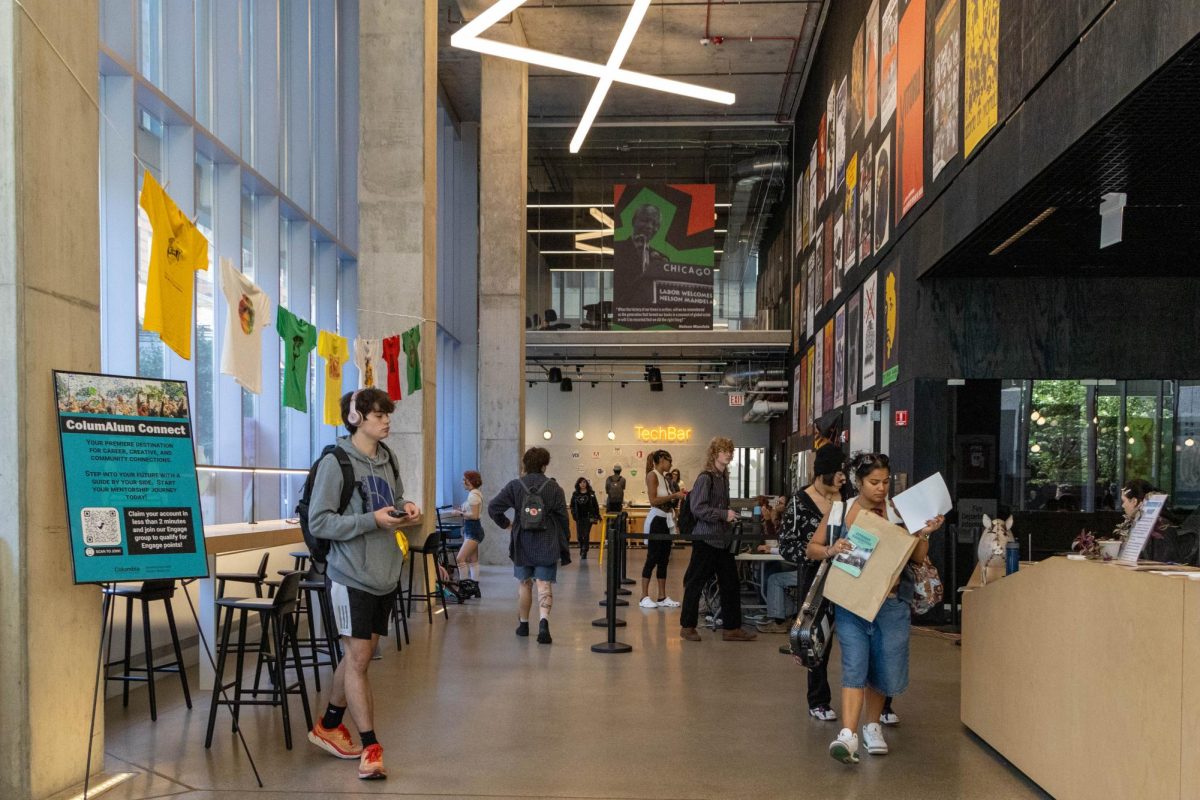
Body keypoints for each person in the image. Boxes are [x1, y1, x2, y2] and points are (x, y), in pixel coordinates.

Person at [306, 388, 420, 781]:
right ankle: (371, 747)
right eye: (377, 415)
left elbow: (394, 498)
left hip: (384, 575)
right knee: (357, 660)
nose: (386, 420)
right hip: (350, 574)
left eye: (387, 414)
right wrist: (372, 521)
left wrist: (405, 508)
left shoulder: (388, 459)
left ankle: (329, 723)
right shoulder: (335, 464)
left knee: (361, 656)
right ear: (356, 418)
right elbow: (319, 522)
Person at [806, 452, 943, 764]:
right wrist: (831, 548)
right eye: (874, 482)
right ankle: (848, 734)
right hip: (851, 603)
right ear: (859, 482)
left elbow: (918, 558)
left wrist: (924, 533)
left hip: (892, 604)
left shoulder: (898, 513)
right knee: (855, 664)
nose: (881, 488)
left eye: (886, 481)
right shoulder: (841, 511)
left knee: (883, 667)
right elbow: (811, 548)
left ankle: (871, 727)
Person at [762, 444, 846, 723]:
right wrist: (816, 554)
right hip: (815, 579)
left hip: (847, 576)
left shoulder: (845, 500)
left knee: (853, 637)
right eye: (838, 472)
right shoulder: (800, 502)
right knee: (817, 640)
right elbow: (787, 546)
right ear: (824, 473)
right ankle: (819, 700)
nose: (843, 477)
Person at [488, 447, 571, 645]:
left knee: (525, 584)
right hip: (547, 541)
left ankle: (523, 624)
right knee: (544, 584)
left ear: (525, 464)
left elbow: (493, 508)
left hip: (522, 541)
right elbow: (563, 519)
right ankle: (543, 623)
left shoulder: (515, 486)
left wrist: (508, 525)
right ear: (544, 465)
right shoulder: (554, 488)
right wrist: (564, 540)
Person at [678, 437, 757, 642]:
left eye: (730, 450)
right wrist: (724, 515)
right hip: (705, 539)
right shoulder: (706, 478)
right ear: (714, 453)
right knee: (695, 582)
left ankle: (731, 628)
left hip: (720, 540)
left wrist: (728, 517)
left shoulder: (723, 477)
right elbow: (698, 508)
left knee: (730, 583)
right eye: (723, 450)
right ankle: (687, 626)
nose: (728, 454)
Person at [639, 450, 684, 609]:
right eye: (668, 460)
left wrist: (677, 497)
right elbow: (653, 500)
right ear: (661, 460)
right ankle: (644, 596)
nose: (671, 464)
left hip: (666, 520)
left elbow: (667, 499)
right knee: (652, 558)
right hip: (657, 521)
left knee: (664, 559)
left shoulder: (665, 478)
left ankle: (662, 596)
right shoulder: (652, 475)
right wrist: (674, 496)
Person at [456, 470, 484, 598]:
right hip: (472, 529)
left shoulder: (473, 496)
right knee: (473, 561)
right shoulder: (474, 494)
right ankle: (475, 588)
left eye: (464, 479)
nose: (463, 482)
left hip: (473, 530)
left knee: (460, 559)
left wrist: (460, 513)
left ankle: (464, 588)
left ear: (470, 481)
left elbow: (475, 515)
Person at [570, 477, 601, 560]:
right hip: (579, 517)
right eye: (581, 482)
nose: (583, 484)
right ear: (578, 484)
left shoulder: (591, 494)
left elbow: (596, 505)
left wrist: (598, 515)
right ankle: (581, 547)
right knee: (580, 536)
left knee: (586, 534)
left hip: (588, 517)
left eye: (584, 482)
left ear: (586, 484)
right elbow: (572, 506)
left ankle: (584, 551)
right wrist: (573, 513)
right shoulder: (575, 494)